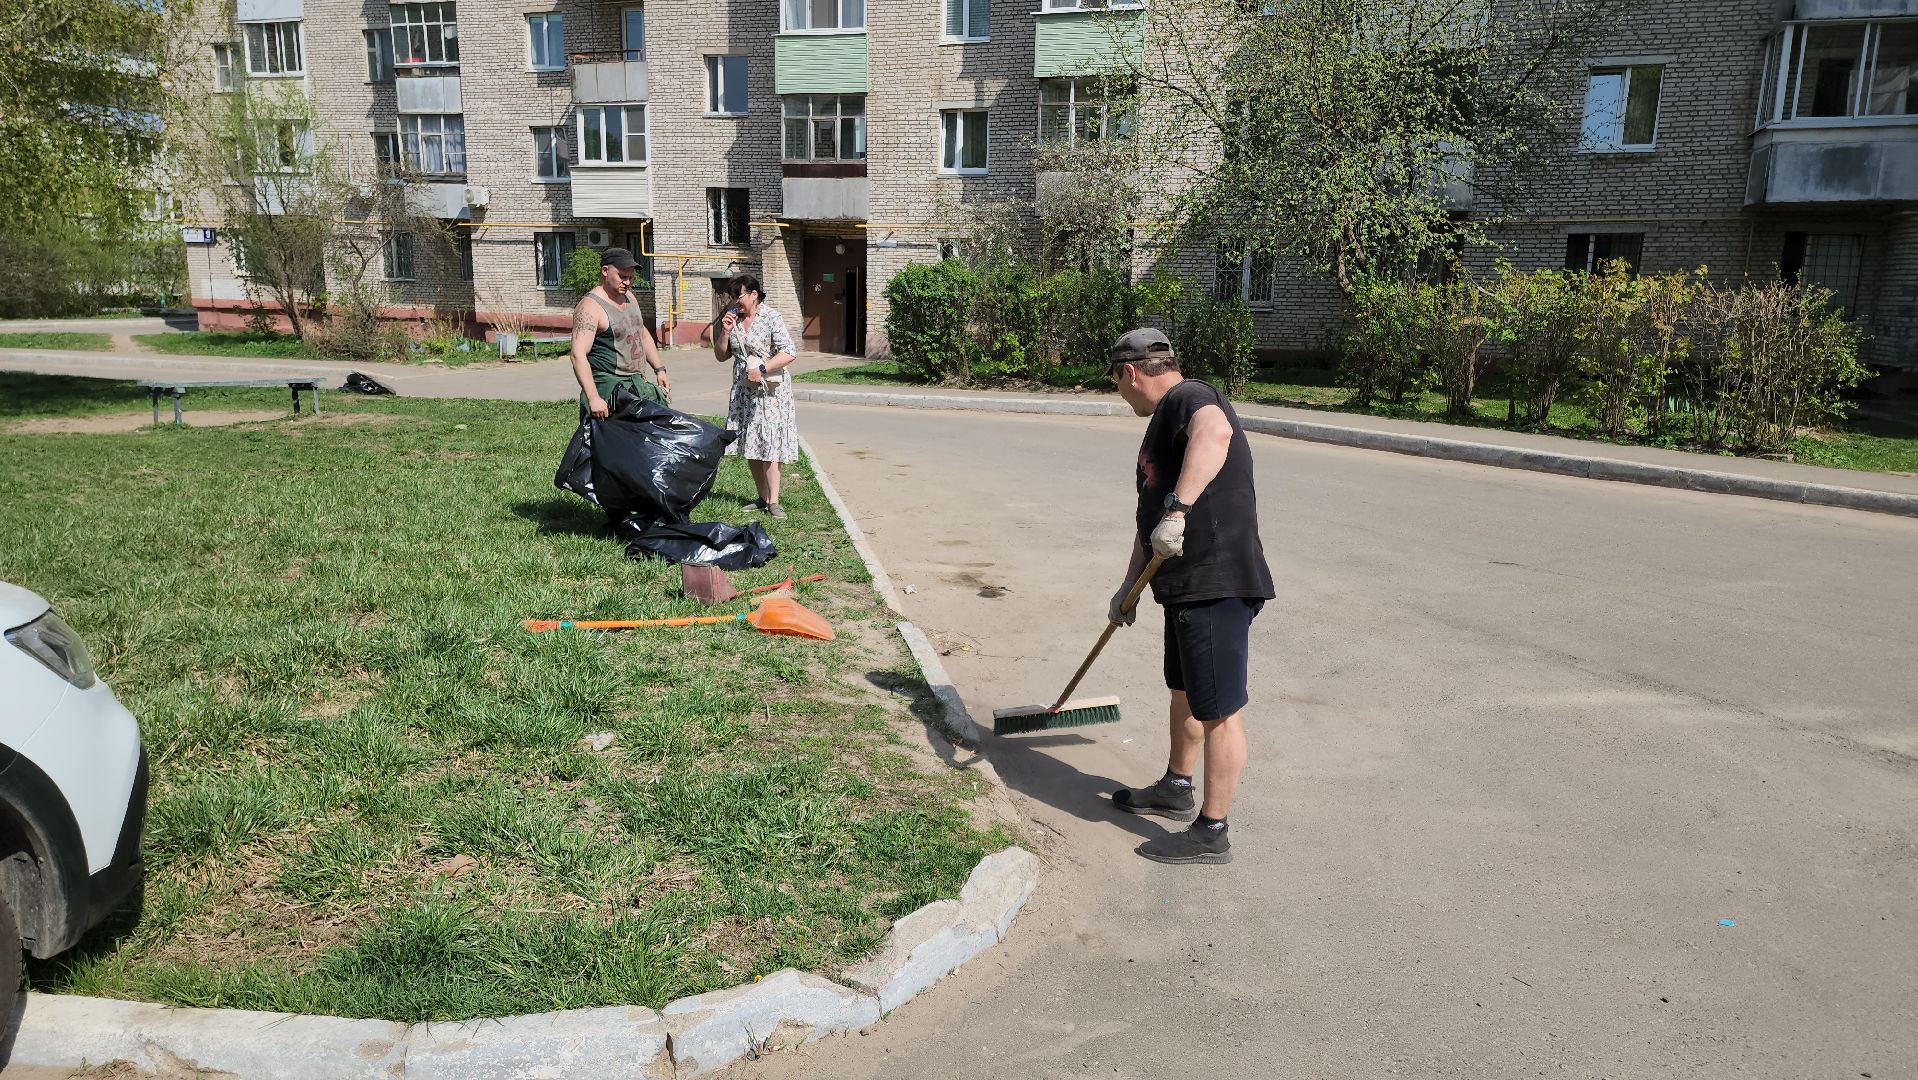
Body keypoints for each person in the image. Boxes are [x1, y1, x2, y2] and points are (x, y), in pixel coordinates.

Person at [1105, 327, 1275, 866]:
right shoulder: (1161, 426)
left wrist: (1178, 509)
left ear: (1129, 373)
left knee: (1219, 708)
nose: (1120, 394)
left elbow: (1216, 431)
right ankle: (1177, 788)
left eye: (1116, 383)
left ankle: (1212, 831)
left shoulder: (1189, 398)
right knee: (1184, 691)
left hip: (1214, 583)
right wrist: (1129, 588)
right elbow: (1146, 523)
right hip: (1182, 588)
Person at [711, 273, 799, 518]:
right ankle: (762, 497)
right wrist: (725, 332)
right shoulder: (733, 320)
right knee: (751, 442)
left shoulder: (771, 317)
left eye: (738, 296)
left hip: (770, 391)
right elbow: (720, 355)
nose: (735, 302)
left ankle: (774, 501)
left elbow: (789, 352)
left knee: (769, 442)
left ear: (754, 294)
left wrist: (762, 369)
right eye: (732, 297)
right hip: (743, 391)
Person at [571, 247, 669, 420]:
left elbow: (642, 333)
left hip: (636, 385)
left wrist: (659, 369)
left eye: (630, 277)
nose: (627, 282)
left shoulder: (630, 297)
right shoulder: (590, 307)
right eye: (622, 276)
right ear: (605, 271)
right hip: (609, 391)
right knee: (609, 445)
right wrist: (594, 398)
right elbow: (578, 355)